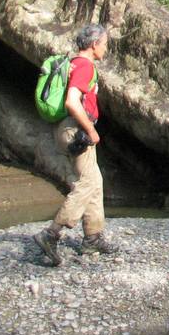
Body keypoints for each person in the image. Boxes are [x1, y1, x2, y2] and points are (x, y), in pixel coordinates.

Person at [33, 23, 117, 266]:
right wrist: (91, 130)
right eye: (105, 44)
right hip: (75, 129)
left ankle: (93, 237)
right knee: (87, 183)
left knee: (95, 180)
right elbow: (72, 101)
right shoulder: (85, 66)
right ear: (94, 45)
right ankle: (51, 234)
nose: (106, 48)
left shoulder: (74, 64)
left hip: (67, 129)